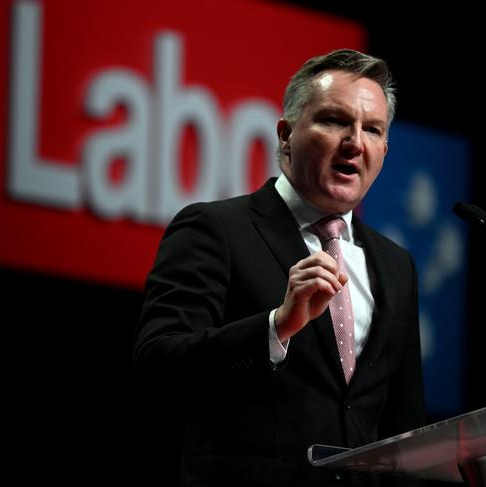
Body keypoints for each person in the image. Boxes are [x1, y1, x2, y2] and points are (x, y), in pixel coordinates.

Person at [133, 48, 426, 487]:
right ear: (286, 135)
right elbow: (159, 367)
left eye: (372, 129)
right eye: (334, 121)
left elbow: (405, 424)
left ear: (384, 149)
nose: (355, 142)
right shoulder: (216, 229)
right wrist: (274, 329)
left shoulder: (395, 264)